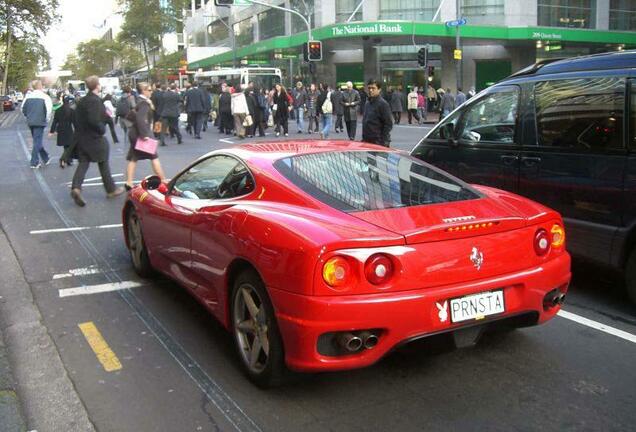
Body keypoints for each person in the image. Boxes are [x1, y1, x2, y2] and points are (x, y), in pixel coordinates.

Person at [70, 76, 124, 206]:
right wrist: (101, 129)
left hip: (82, 138)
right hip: (94, 137)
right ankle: (111, 189)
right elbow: (94, 120)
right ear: (97, 86)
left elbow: (76, 118)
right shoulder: (95, 101)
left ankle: (76, 187)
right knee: (103, 162)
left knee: (83, 163)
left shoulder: (82, 101)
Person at [125, 82, 166, 191]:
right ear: (143, 91)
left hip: (134, 133)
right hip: (142, 134)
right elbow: (140, 118)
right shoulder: (144, 103)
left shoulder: (138, 100)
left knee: (133, 158)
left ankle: (129, 182)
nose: (151, 92)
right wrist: (145, 135)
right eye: (149, 90)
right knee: (154, 156)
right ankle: (163, 181)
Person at [21, 79, 52, 168]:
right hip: (40, 121)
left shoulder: (28, 97)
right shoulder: (45, 97)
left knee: (36, 141)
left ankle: (45, 157)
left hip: (30, 121)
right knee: (37, 141)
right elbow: (48, 110)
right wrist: (46, 119)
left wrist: (27, 117)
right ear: (41, 86)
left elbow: (23, 109)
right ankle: (34, 162)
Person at [362, 79, 393, 147]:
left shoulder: (383, 104)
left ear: (379, 90)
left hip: (378, 142)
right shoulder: (367, 103)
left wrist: (382, 141)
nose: (370, 90)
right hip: (367, 141)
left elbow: (388, 124)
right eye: (369, 88)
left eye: (373, 88)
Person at [49, 95, 76, 168]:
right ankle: (64, 159)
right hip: (68, 129)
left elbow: (55, 122)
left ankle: (68, 160)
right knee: (70, 146)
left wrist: (52, 131)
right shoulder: (71, 111)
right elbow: (75, 122)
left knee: (66, 146)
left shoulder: (58, 110)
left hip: (61, 130)